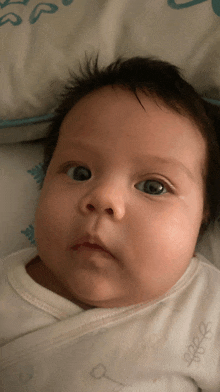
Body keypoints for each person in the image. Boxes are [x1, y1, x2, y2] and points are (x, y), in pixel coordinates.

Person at [1, 56, 220, 391]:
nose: (103, 198)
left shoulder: (208, 307)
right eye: (80, 172)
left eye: (153, 186)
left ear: (204, 213)